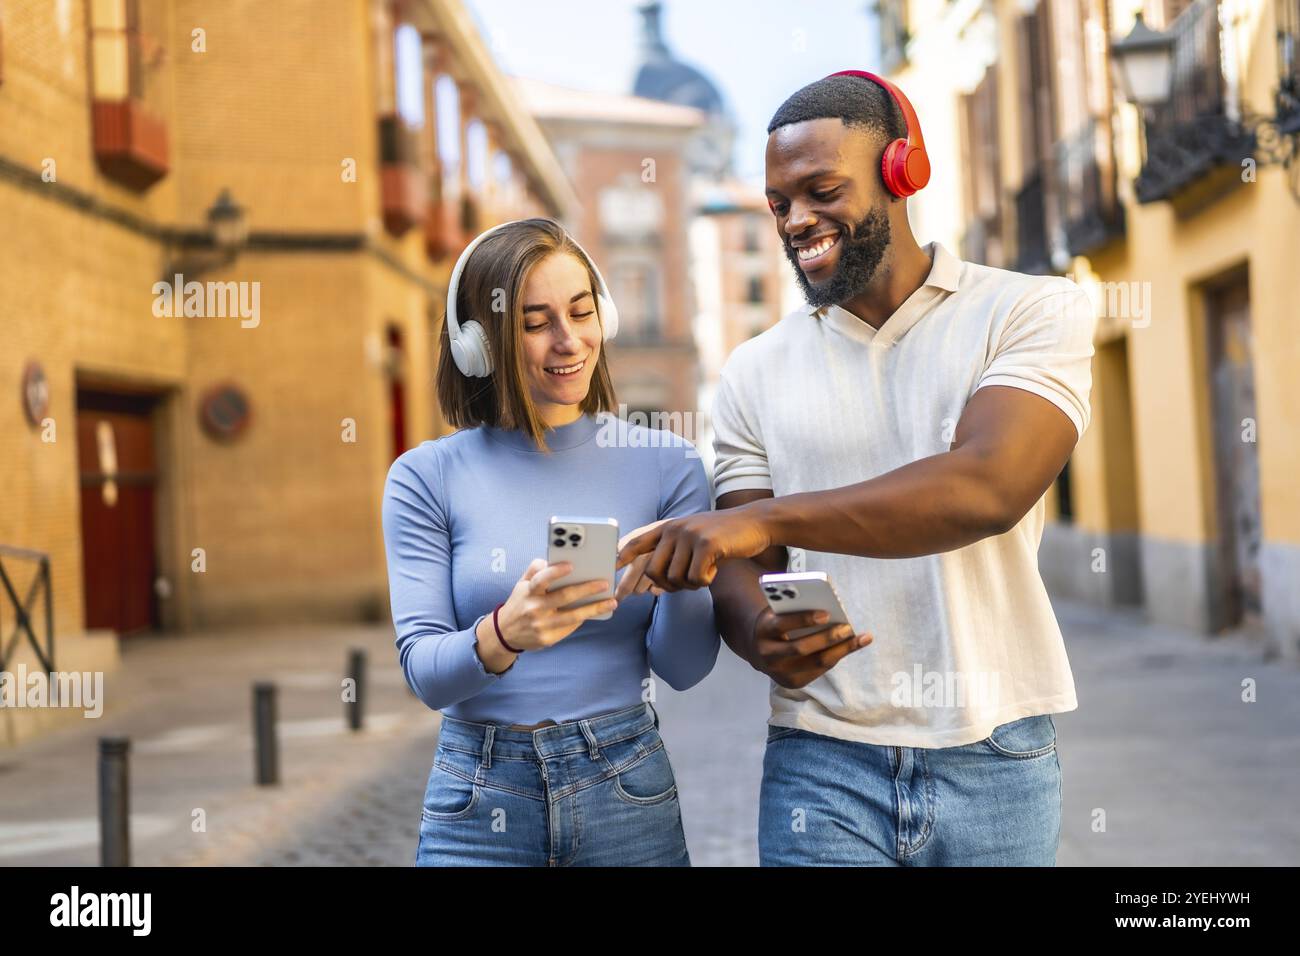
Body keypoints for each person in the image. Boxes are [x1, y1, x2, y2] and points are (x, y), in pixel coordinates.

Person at [617, 72, 1096, 866]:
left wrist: (766, 519)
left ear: (901, 173)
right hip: (821, 759)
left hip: (997, 753)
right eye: (779, 203)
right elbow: (749, 567)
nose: (797, 220)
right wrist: (758, 632)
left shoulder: (1028, 312)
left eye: (821, 190)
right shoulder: (753, 370)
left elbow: (988, 486)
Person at [383, 218, 719, 866]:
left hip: (624, 783)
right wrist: (505, 632)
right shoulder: (425, 477)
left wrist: (680, 586)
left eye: (582, 311)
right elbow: (426, 675)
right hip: (478, 794)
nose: (569, 341)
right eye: (536, 322)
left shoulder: (670, 465)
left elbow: (684, 669)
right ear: (479, 344)